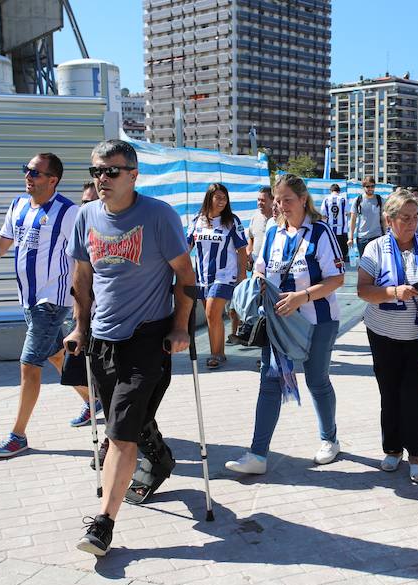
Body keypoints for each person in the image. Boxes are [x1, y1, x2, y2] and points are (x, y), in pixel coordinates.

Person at [65, 139, 195, 556]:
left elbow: (185, 276)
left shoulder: (158, 216)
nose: (102, 178)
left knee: (119, 431)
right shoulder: (85, 215)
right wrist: (79, 328)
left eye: (111, 171)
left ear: (133, 174)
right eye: (96, 172)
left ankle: (103, 524)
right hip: (103, 338)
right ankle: (159, 460)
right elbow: (82, 279)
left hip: (147, 337)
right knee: (125, 422)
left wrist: (180, 327)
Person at [0, 153, 86, 457]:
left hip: (51, 300)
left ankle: (18, 435)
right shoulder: (17, 206)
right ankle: (93, 401)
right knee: (55, 354)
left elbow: (84, 257)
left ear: (53, 180)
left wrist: (85, 302)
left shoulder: (69, 212)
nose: (28, 176)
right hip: (27, 298)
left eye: (35, 173)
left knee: (29, 364)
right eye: (26, 170)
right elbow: (1, 245)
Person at [225, 173, 345, 475]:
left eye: (287, 200)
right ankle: (258, 454)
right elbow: (262, 271)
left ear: (303, 199)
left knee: (317, 380)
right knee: (269, 383)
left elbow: (336, 278)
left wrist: (302, 297)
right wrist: (256, 289)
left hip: (317, 322)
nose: (280, 206)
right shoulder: (274, 234)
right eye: (277, 201)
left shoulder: (320, 232)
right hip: (279, 325)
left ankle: (329, 439)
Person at [357, 189, 418, 483]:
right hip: (382, 334)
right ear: (389, 219)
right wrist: (392, 292)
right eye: (405, 218)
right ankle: (392, 448)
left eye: (415, 217)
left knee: (415, 397)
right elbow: (363, 290)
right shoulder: (375, 248)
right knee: (389, 394)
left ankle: (416, 453)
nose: (411, 223)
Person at [187, 183, 248, 369]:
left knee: (212, 312)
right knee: (212, 317)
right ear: (209, 198)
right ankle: (219, 352)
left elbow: (242, 250)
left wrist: (242, 275)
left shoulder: (232, 221)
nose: (222, 201)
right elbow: (186, 247)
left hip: (225, 276)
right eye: (218, 197)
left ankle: (215, 355)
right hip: (202, 277)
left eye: (224, 197)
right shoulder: (197, 220)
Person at [66, 181, 103, 428]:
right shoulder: (79, 227)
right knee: (73, 365)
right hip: (84, 311)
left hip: (109, 316)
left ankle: (115, 438)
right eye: (83, 202)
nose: (85, 206)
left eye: (90, 202)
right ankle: (93, 402)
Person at [348, 175, 386, 258]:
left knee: (378, 264)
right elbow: (353, 220)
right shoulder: (358, 200)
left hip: (377, 237)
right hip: (362, 238)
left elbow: (383, 219)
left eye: (372, 186)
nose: (370, 188)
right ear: (363, 187)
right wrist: (350, 238)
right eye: (368, 186)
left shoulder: (380, 200)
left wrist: (386, 235)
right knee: (364, 265)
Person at [321, 183, 351, 261]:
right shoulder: (343, 200)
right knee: (342, 252)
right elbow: (348, 213)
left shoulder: (326, 200)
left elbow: (323, 215)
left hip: (330, 230)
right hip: (342, 230)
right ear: (339, 191)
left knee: (331, 251)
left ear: (331, 191)